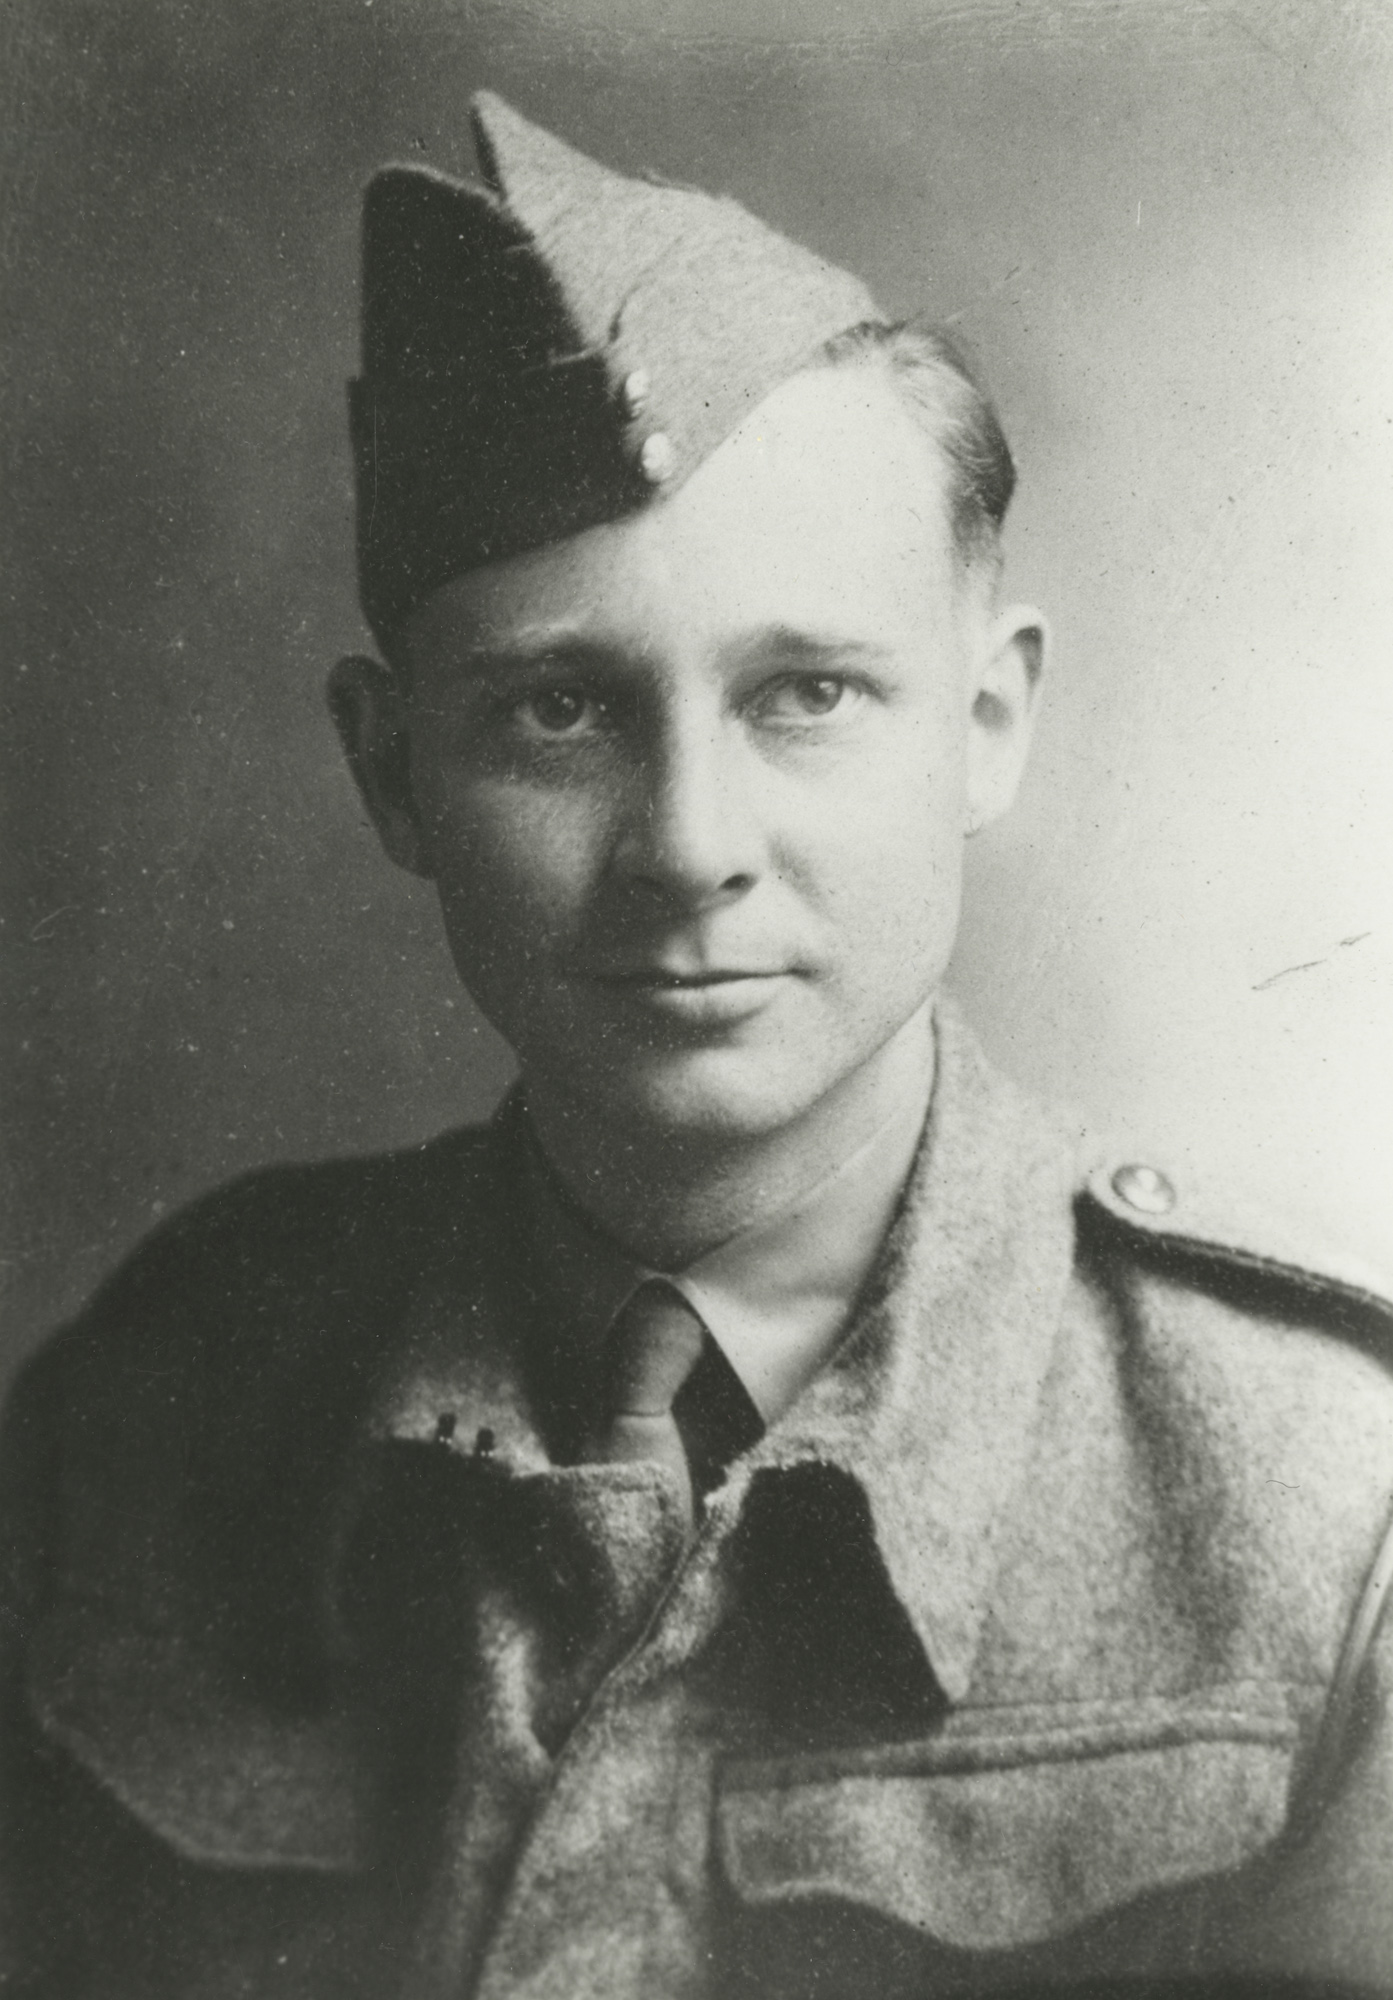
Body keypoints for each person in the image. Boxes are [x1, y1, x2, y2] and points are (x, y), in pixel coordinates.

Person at [1, 91, 1390, 2000]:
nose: (687, 849)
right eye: (557, 713)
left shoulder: (1324, 1496)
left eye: (804, 693)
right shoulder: (164, 1399)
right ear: (393, 773)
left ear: (985, 724)